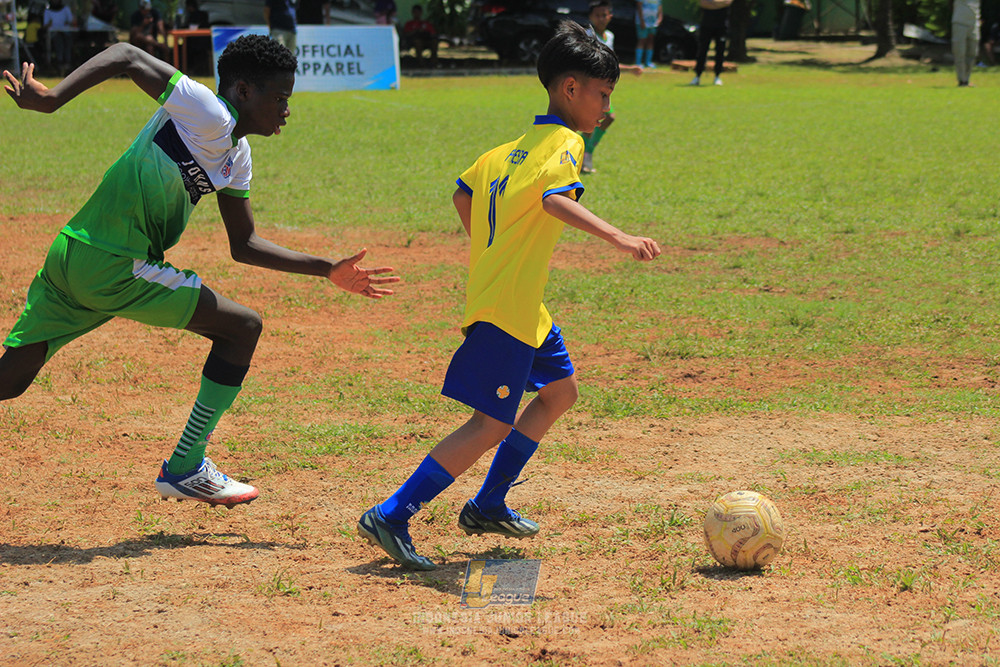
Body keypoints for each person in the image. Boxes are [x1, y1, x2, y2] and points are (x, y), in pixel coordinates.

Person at [1, 36, 400, 508]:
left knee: (10, 381)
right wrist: (51, 100)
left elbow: (244, 245)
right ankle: (186, 466)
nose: (286, 110)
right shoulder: (210, 112)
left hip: (74, 252)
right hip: (116, 264)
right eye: (280, 98)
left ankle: (187, 467)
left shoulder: (237, 157)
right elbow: (126, 54)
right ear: (245, 90)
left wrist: (327, 270)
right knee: (242, 328)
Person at [357, 20, 661, 570]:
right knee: (490, 423)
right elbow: (552, 200)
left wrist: (493, 249)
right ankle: (394, 513)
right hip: (507, 310)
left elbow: (462, 190)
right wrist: (619, 236)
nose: (605, 107)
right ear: (570, 88)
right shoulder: (566, 143)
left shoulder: (505, 151)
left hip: (522, 305)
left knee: (560, 392)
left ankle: (488, 503)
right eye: (603, 94)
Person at [581, 0, 642, 174]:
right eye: (597, 15)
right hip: (589, 87)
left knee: (606, 119)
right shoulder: (587, 36)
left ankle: (586, 153)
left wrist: (630, 69)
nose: (601, 18)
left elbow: (611, 62)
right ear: (591, 16)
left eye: (604, 14)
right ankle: (583, 155)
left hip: (603, 89)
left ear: (610, 16)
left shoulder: (610, 36)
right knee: (593, 122)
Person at [690, 0, 732, 86]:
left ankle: (717, 76)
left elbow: (728, 2)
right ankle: (697, 76)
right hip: (706, 25)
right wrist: (720, 3)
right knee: (702, 50)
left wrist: (712, 3)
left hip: (721, 25)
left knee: (720, 50)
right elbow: (703, 3)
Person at [951, 0, 981, 87]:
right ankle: (962, 80)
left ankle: (967, 79)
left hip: (974, 24)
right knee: (959, 52)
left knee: (973, 53)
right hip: (959, 24)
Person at [44, 0, 75, 76]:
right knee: (59, 42)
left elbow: (71, 21)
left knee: (67, 42)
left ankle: (68, 62)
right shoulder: (48, 11)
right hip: (54, 34)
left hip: (65, 33)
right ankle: (60, 62)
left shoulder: (65, 9)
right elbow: (45, 25)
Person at [634, 0, 660, 68]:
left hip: (653, 24)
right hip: (643, 23)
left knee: (650, 40)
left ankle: (648, 62)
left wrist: (659, 20)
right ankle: (638, 63)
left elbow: (660, 10)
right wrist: (642, 21)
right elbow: (639, 7)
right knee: (642, 40)